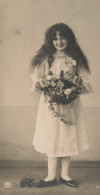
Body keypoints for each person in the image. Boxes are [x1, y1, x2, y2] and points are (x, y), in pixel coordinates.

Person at [30, 23, 93, 188]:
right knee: (53, 138)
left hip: (69, 105)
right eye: (55, 38)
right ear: (50, 41)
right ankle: (51, 176)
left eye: (62, 37)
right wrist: (45, 86)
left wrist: (73, 89)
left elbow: (83, 80)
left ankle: (65, 175)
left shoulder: (74, 58)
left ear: (69, 38)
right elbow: (37, 77)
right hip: (50, 106)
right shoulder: (46, 57)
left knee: (67, 137)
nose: (59, 41)